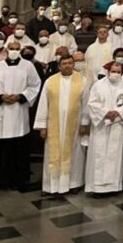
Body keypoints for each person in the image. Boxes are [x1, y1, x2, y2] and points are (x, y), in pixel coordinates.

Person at [0, 39, 42, 192]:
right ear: (7, 50)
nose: (14, 51)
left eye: (17, 48)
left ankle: (17, 180)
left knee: (17, 148)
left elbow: (35, 85)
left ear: (20, 50)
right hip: (0, 113)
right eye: (11, 48)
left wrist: (21, 96)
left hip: (18, 113)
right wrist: (0, 97)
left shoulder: (28, 67)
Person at [33, 54, 88, 194]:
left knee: (75, 154)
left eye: (70, 63)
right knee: (52, 154)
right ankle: (50, 185)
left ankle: (73, 184)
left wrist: (84, 123)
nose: (68, 65)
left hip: (74, 127)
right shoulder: (50, 81)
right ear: (59, 66)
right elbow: (43, 104)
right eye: (65, 63)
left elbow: (86, 104)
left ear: (74, 65)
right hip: (54, 125)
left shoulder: (82, 80)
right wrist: (42, 126)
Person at [84, 61, 123, 194]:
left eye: (118, 72)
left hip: (118, 124)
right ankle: (96, 186)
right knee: (98, 154)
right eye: (113, 71)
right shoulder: (98, 85)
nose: (116, 74)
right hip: (101, 125)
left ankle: (114, 186)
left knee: (115, 154)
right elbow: (92, 103)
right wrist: (106, 112)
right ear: (108, 72)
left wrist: (118, 113)